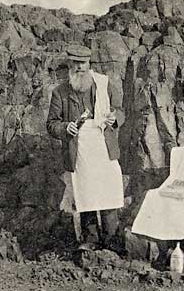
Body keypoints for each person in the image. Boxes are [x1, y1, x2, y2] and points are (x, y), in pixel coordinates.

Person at [47, 44, 125, 252]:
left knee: (108, 192)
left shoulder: (104, 84)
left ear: (89, 63)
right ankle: (90, 240)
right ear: (70, 65)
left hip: (104, 147)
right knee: (86, 193)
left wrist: (114, 117)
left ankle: (111, 241)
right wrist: (65, 127)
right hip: (79, 149)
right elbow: (51, 124)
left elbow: (120, 110)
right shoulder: (60, 92)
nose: (79, 67)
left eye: (82, 63)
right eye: (75, 63)